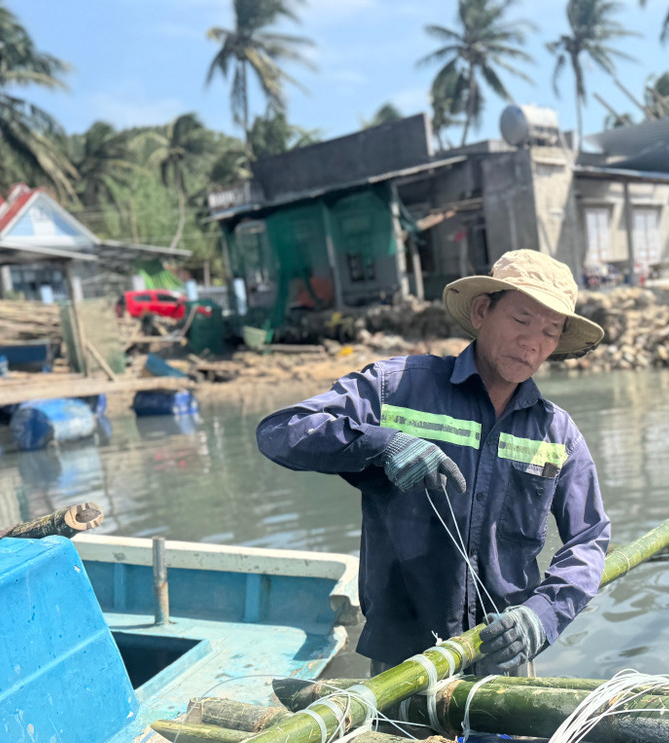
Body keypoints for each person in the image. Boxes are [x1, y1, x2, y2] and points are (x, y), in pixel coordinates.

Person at [256, 249, 611, 676]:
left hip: (505, 659)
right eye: (521, 320)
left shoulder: (557, 433)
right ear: (482, 311)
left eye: (550, 332)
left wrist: (542, 617)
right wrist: (382, 444)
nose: (532, 343)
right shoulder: (396, 387)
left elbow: (590, 538)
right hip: (402, 665)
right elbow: (281, 431)